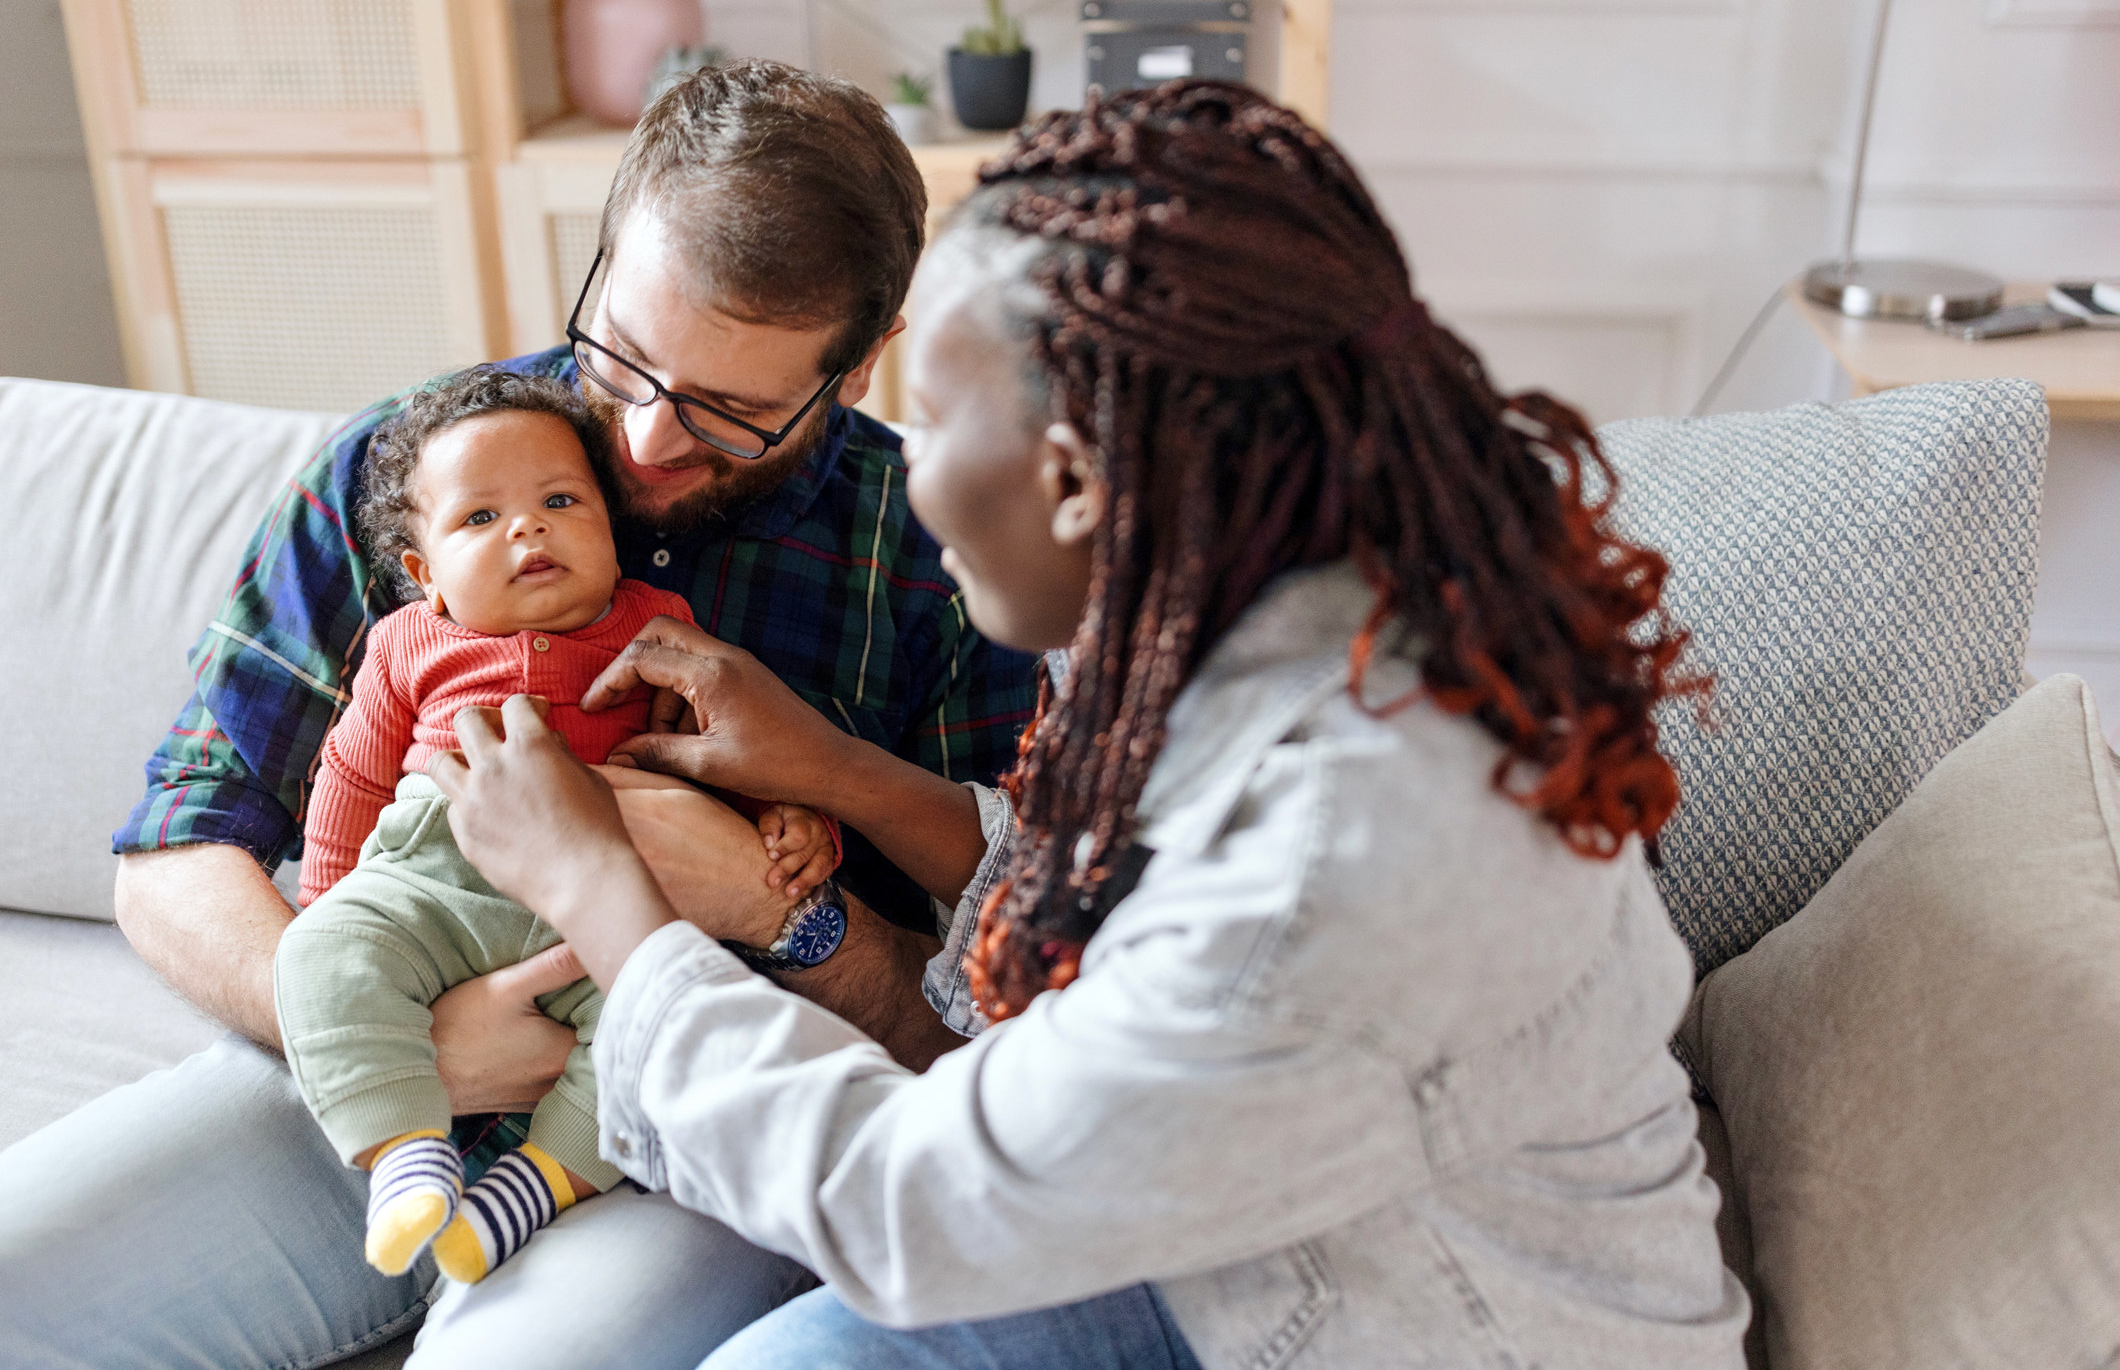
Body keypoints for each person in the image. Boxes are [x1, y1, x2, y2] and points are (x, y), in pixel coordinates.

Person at [430, 82, 1753, 1368]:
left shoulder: (1339, 860)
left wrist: (597, 886)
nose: (916, 474)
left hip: (1397, 1319)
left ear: (1071, 479)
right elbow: (1113, 910)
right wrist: (837, 770)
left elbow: (917, 1206)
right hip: (1250, 1248)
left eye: (934, 422)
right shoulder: (1275, 621)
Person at [0, 61, 1033, 1368]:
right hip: (355, 1065)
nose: (652, 439)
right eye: (623, 354)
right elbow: (174, 846)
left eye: (734, 411)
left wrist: (784, 911)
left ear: (862, 363)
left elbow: (997, 1031)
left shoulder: (941, 565)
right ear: (601, 256)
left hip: (680, 1128)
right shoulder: (415, 470)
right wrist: (389, 1042)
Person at [276, 368, 840, 1288]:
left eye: (559, 501)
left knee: (651, 1026)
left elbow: (725, 751)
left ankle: (542, 1181)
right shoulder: (410, 643)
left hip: (602, 896)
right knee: (312, 955)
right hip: (432, 876)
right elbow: (350, 773)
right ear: (425, 576)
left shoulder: (660, 626)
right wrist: (337, 911)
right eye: (479, 520)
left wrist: (792, 821)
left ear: (611, 529)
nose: (527, 528)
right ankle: (407, 1153)